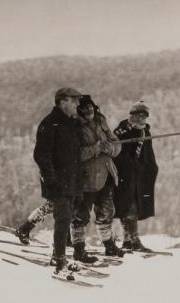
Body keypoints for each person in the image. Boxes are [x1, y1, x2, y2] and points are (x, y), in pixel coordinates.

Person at [32, 87, 83, 273]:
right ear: (63, 102)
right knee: (63, 219)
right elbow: (41, 155)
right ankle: (59, 258)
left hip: (72, 181)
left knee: (67, 216)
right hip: (59, 182)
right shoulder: (50, 123)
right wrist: (52, 180)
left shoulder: (72, 124)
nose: (78, 104)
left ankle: (58, 255)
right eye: (74, 100)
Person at [71, 95, 125, 259]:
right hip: (87, 178)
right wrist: (96, 148)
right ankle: (79, 250)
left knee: (106, 212)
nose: (88, 110)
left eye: (91, 107)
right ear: (79, 110)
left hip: (107, 174)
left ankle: (109, 246)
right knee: (81, 215)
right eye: (84, 108)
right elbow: (75, 154)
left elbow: (117, 145)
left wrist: (110, 148)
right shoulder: (74, 127)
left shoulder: (102, 121)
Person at [112, 100, 158, 252]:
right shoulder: (122, 130)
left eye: (144, 116)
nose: (141, 119)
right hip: (124, 175)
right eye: (138, 115)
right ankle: (131, 240)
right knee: (127, 206)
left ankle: (130, 240)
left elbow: (148, 154)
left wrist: (151, 168)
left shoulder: (145, 132)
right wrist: (129, 164)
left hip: (139, 176)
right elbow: (116, 151)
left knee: (135, 207)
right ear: (131, 115)